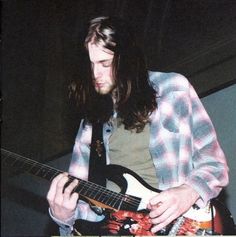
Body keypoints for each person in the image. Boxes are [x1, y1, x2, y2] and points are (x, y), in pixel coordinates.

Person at [47, 16, 229, 236]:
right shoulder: (90, 124)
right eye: (90, 64)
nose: (95, 74)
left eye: (104, 63)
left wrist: (188, 192)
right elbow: (86, 213)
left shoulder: (173, 89)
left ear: (127, 59)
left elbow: (215, 165)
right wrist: (64, 216)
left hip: (186, 225)